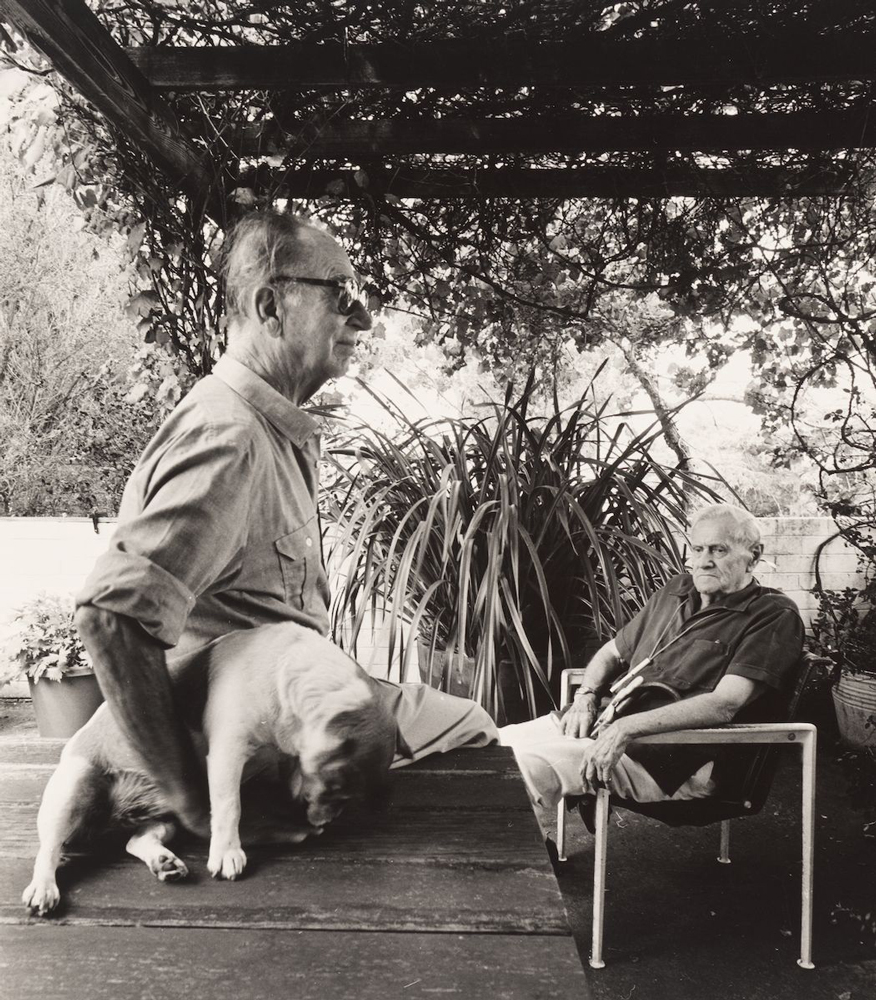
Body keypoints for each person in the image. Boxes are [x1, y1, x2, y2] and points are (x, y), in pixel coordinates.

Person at [75, 210, 497, 836]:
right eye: (342, 295)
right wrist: (194, 803)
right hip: (252, 738)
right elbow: (110, 618)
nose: (363, 317)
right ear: (270, 305)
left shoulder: (265, 429)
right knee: (479, 732)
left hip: (286, 706)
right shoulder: (230, 438)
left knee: (467, 722)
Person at [499, 503, 805, 815]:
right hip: (604, 723)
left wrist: (625, 729)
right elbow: (611, 653)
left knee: (525, 767)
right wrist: (585, 696)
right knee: (491, 745)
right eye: (697, 549)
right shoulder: (675, 591)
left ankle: (506, 861)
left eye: (719, 550)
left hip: (666, 759)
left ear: (753, 555)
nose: (704, 562)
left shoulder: (773, 614)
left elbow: (724, 704)